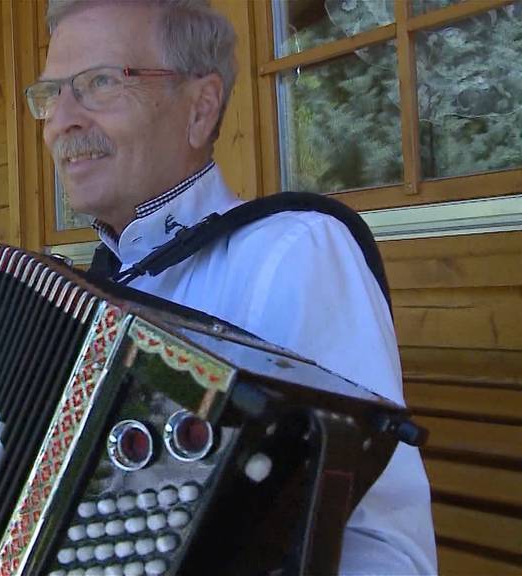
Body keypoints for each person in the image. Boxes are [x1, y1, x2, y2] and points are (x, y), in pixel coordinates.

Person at [27, 0, 438, 573]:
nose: (60, 120)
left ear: (200, 108)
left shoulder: (294, 254)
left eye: (98, 83)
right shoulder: (76, 294)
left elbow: (386, 553)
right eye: (49, 95)